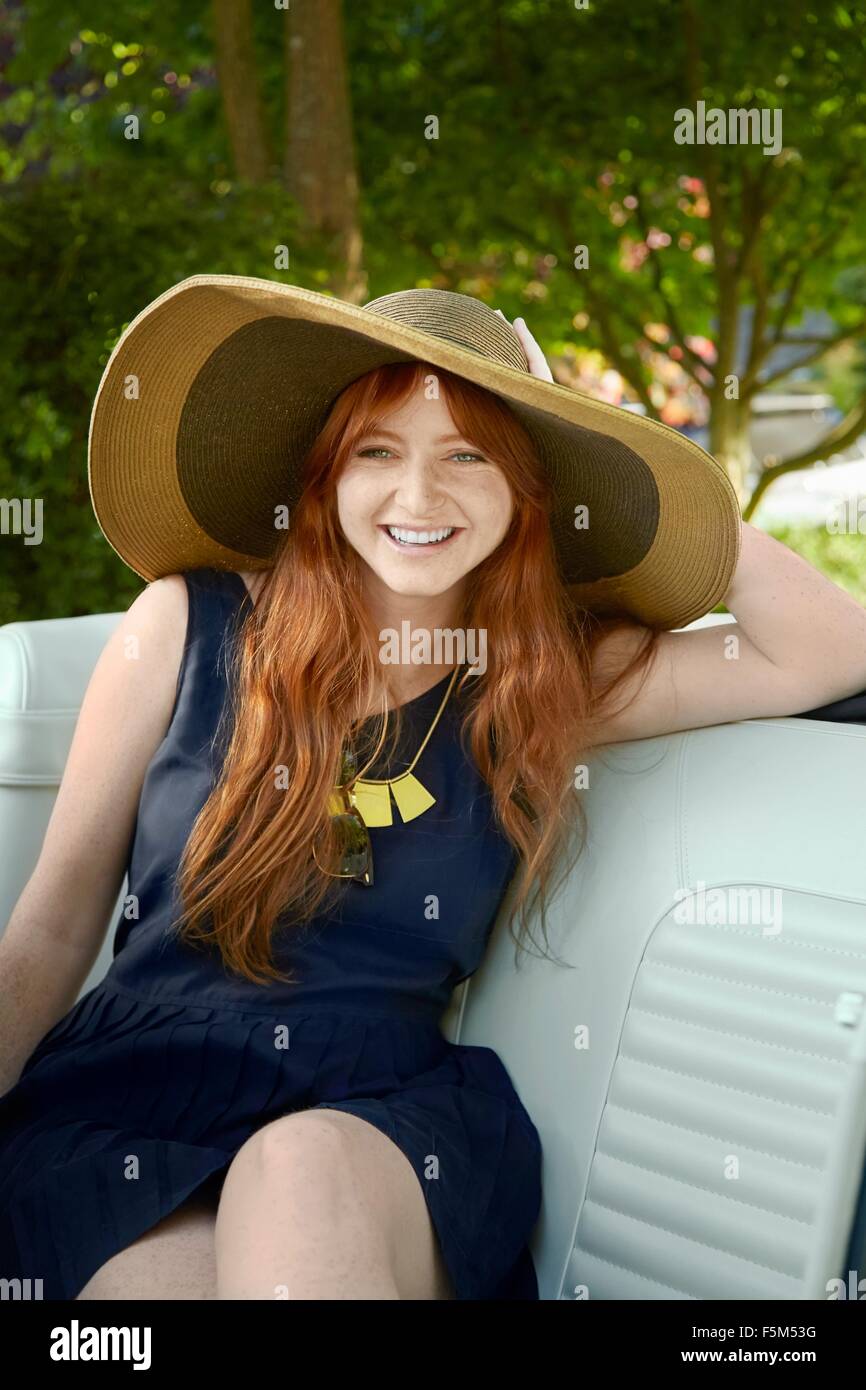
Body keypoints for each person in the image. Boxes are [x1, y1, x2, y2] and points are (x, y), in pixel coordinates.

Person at [1, 279, 865, 1302]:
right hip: (131, 1101)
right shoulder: (185, 625)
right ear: (324, 476)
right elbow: (53, 929)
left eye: (468, 455)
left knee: (298, 1168)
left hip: (376, 1114)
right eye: (378, 452)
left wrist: (626, 448)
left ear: (524, 488)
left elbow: (828, 646)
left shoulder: (536, 678)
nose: (418, 498)